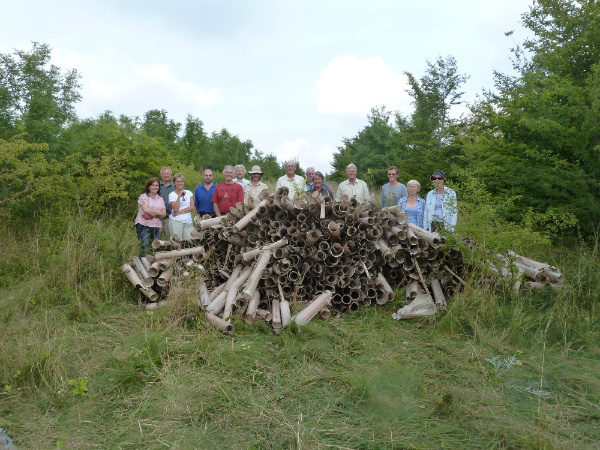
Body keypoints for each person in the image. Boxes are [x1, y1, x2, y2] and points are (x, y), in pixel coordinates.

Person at [135, 177, 166, 256]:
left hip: (156, 225)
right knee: (145, 245)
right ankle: (143, 265)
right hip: (143, 224)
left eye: (157, 185)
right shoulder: (144, 196)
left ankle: (152, 266)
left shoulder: (160, 199)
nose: (155, 187)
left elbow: (164, 214)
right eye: (153, 185)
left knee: (155, 247)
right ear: (148, 186)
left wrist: (154, 213)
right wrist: (159, 213)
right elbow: (146, 209)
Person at [169, 173, 195, 240]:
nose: (180, 183)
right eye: (178, 181)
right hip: (176, 221)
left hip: (188, 222)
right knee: (177, 243)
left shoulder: (189, 192)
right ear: (174, 183)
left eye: (182, 181)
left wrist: (179, 213)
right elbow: (175, 209)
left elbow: (192, 207)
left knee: (188, 242)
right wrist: (179, 196)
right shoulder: (172, 195)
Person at [158, 167, 176, 238]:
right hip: (157, 217)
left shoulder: (174, 186)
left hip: (170, 217)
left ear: (171, 175)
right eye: (164, 173)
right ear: (161, 174)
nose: (166, 175)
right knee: (156, 238)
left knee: (169, 238)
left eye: (168, 174)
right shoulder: (156, 185)